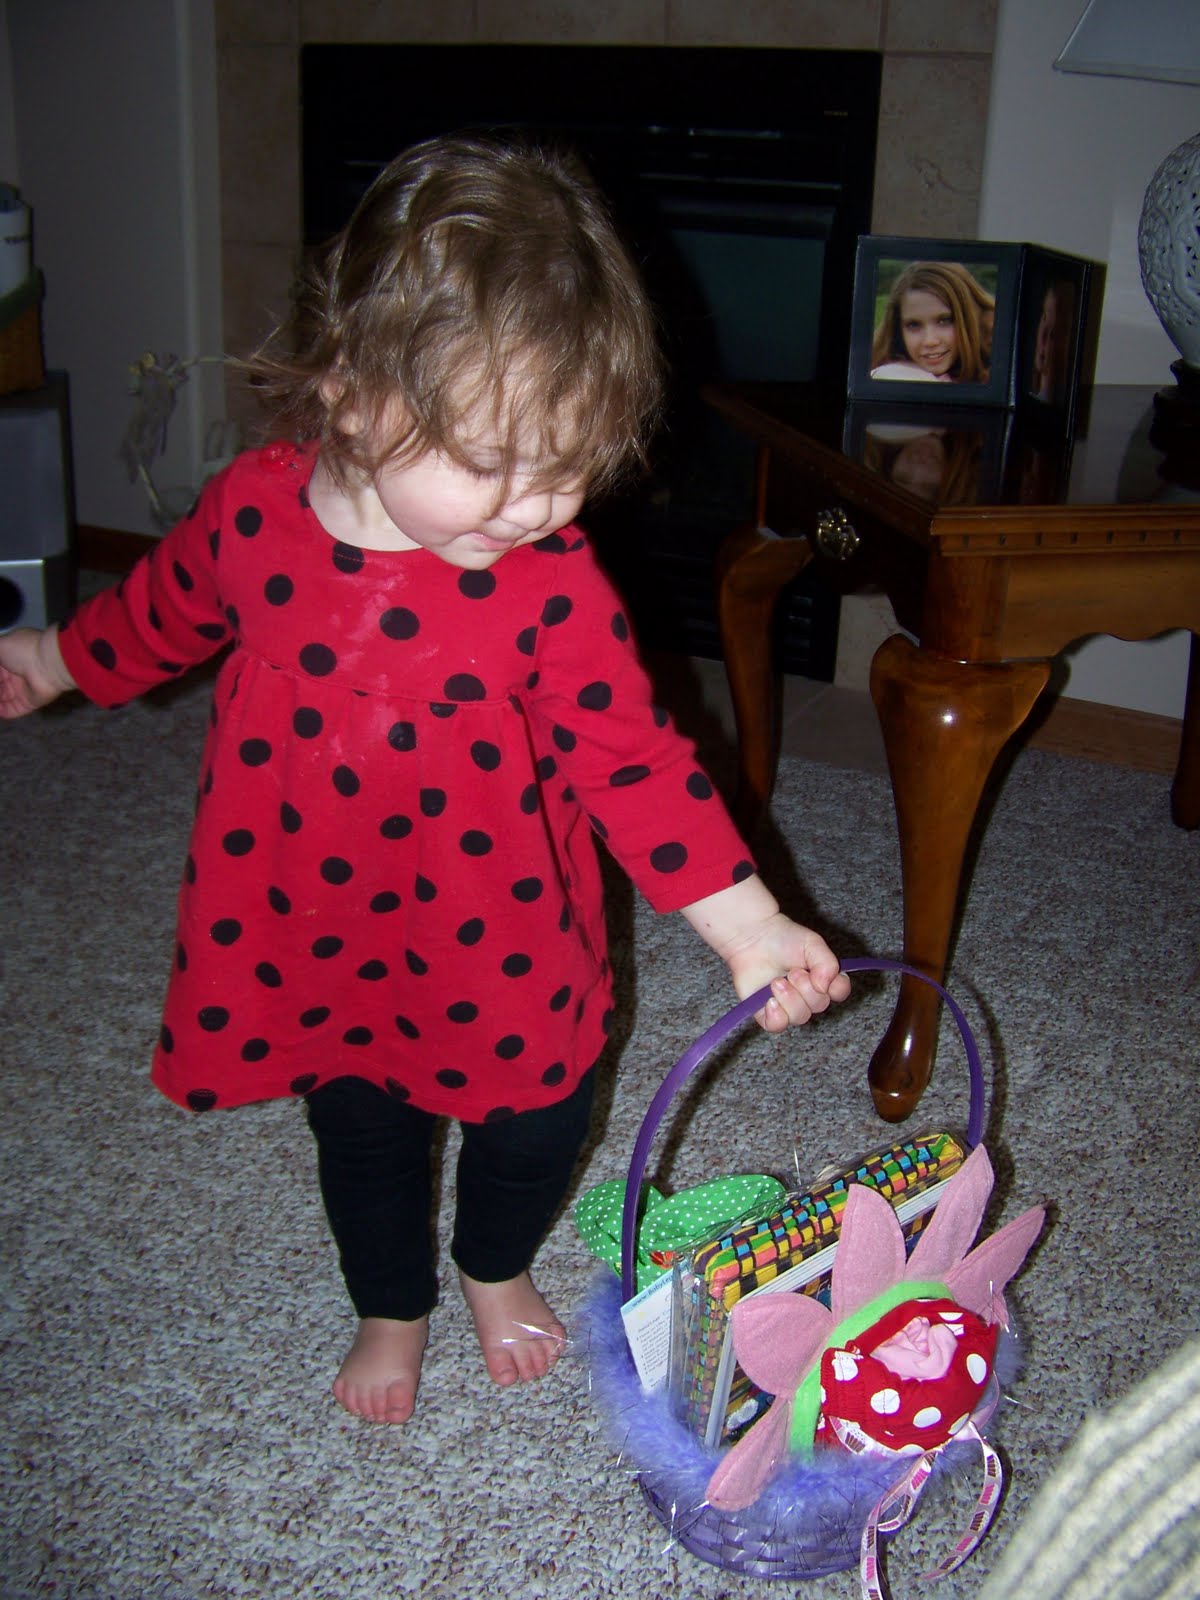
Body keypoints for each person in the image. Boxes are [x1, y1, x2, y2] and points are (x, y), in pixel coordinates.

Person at [0, 135, 850, 1427]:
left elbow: (636, 763)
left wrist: (750, 925)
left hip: (501, 927)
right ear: (352, 392)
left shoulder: (553, 586)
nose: (538, 503)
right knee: (363, 1132)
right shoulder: (251, 514)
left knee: (538, 1121)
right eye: (496, 460)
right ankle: (389, 1302)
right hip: (320, 920)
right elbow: (161, 613)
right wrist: (55, 658)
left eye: (570, 464)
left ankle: (492, 1265)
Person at [869, 260, 994, 384]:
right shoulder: (890, 376)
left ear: (970, 318)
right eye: (914, 325)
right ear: (898, 331)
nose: (930, 341)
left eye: (944, 320)